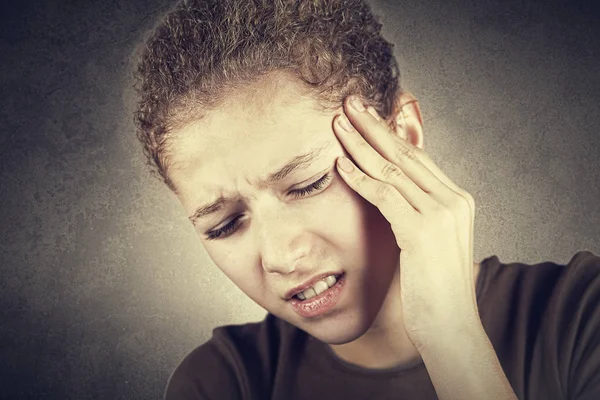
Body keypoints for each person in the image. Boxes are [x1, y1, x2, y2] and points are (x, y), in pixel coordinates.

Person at [133, 0, 600, 399]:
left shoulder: (582, 318)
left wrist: (450, 337)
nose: (281, 257)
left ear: (403, 134)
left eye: (309, 183)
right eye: (224, 225)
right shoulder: (222, 383)